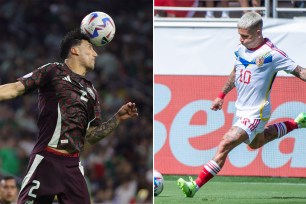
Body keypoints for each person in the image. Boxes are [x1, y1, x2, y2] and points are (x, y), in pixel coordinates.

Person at [0, 29, 138, 204]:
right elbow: (14, 88)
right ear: (74, 50)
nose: (95, 53)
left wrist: (117, 118)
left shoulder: (92, 92)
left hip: (72, 167)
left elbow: (92, 136)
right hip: (46, 160)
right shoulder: (53, 71)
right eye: (90, 48)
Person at [177, 12, 306, 197]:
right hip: (241, 110)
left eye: (245, 36)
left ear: (258, 33)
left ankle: (194, 186)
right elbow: (236, 71)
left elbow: (300, 71)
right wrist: (221, 95)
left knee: (226, 143)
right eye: (240, 35)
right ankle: (297, 123)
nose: (241, 39)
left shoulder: (272, 54)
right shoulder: (240, 49)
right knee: (257, 143)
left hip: (257, 112)